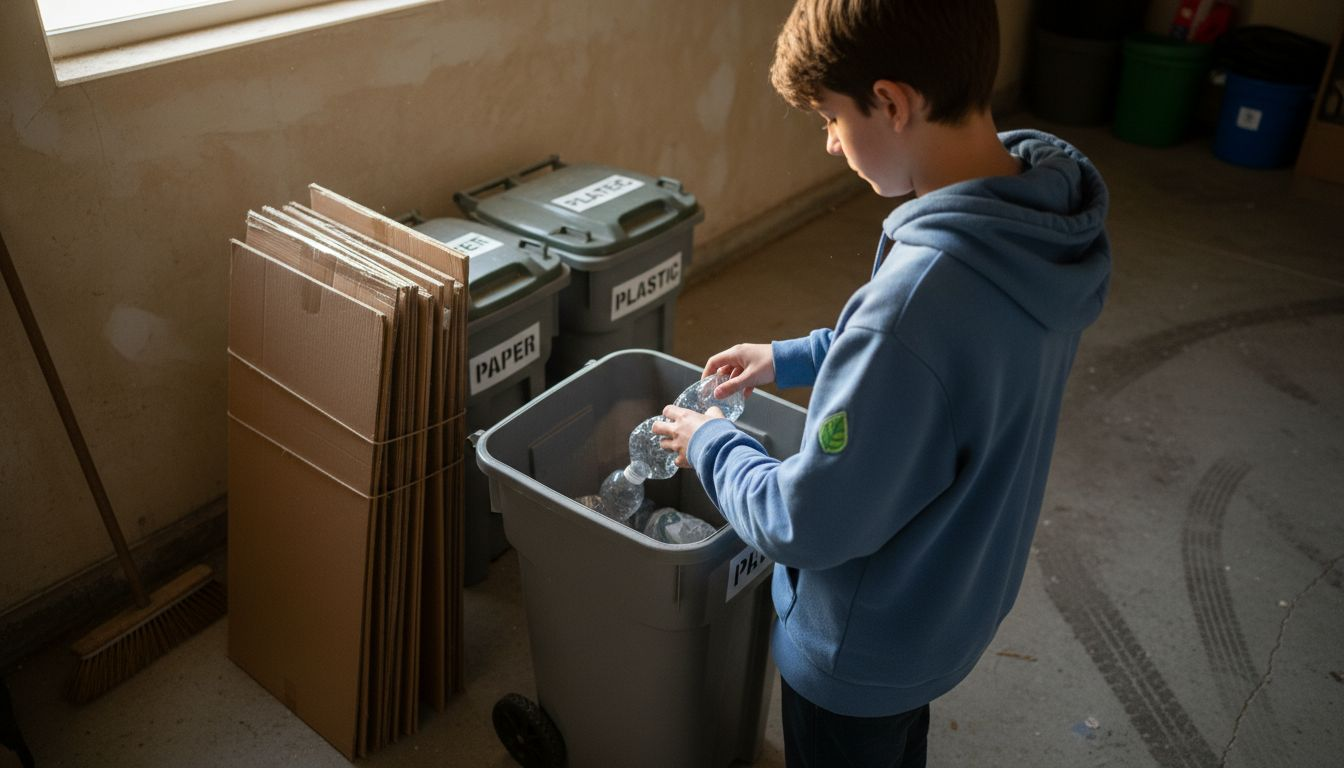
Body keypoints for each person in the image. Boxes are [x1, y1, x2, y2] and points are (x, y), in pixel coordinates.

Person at [651, 1, 1111, 766]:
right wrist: (788, 357)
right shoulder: (1038, 219)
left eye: (831, 118)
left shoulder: (917, 303)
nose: (832, 144)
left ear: (893, 103)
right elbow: (929, 372)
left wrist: (712, 445)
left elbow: (806, 523)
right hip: (947, 602)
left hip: (856, 651)